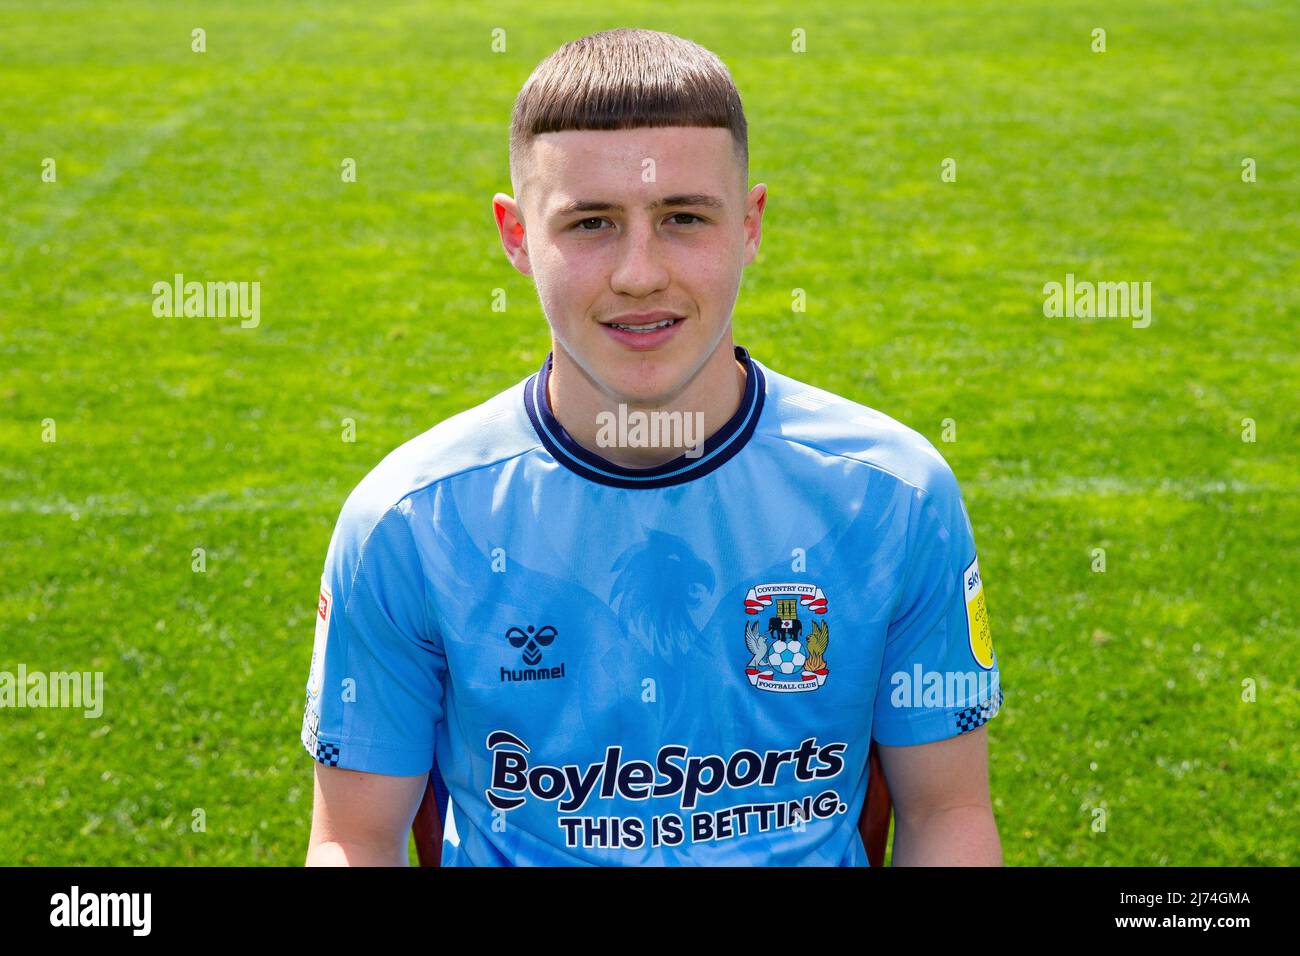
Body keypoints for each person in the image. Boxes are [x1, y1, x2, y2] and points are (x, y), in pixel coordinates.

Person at [303, 27, 1004, 866]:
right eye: (591, 223)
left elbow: (946, 813)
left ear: (749, 226)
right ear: (517, 236)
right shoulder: (408, 522)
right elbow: (354, 837)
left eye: (683, 218)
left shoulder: (893, 496)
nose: (640, 274)